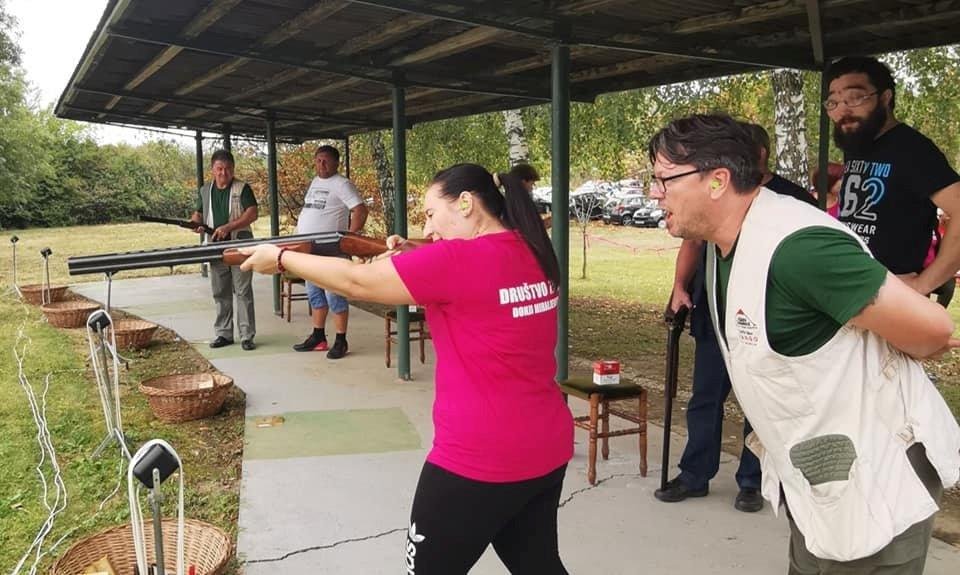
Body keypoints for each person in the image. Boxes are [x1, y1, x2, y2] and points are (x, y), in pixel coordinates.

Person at [650, 113, 960, 573]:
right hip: (821, 481)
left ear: (717, 181)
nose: (654, 193)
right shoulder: (723, 243)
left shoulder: (800, 249)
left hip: (877, 480)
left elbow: (934, 330)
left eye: (664, 179)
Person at [239, 163, 574, 574]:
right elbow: (477, 282)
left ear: (466, 204)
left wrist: (282, 258)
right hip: (546, 444)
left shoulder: (455, 261)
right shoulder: (532, 247)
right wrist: (416, 252)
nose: (428, 228)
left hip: (479, 456)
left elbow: (356, 282)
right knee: (538, 565)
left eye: (431, 215)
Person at [657, 122, 815, 513]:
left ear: (760, 155)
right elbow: (693, 241)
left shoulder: (791, 200)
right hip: (716, 314)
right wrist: (679, 286)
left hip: (765, 322)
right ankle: (694, 474)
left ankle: (752, 480)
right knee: (705, 397)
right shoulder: (714, 194)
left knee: (758, 402)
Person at [826, 56, 960, 300]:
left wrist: (922, 285)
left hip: (894, 299)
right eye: (833, 102)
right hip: (852, 291)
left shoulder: (912, 149)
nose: (843, 111)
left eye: (855, 97)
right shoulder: (858, 143)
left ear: (885, 98)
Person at [292, 144, 368, 359]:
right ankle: (318, 336)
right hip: (310, 248)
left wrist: (350, 237)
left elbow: (360, 210)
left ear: (336, 162)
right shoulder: (315, 182)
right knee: (315, 294)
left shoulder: (342, 184)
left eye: (326, 160)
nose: (322, 165)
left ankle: (341, 340)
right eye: (318, 160)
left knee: (334, 295)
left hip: (332, 248)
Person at [190, 149, 258, 351]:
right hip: (215, 246)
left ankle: (247, 336)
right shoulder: (205, 190)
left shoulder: (242, 188)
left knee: (243, 291)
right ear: (212, 169)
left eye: (227, 169)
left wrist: (229, 227)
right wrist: (195, 223)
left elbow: (252, 213)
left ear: (233, 169)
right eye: (219, 169)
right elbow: (198, 214)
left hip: (240, 245)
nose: (223, 173)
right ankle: (224, 334)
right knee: (220, 292)